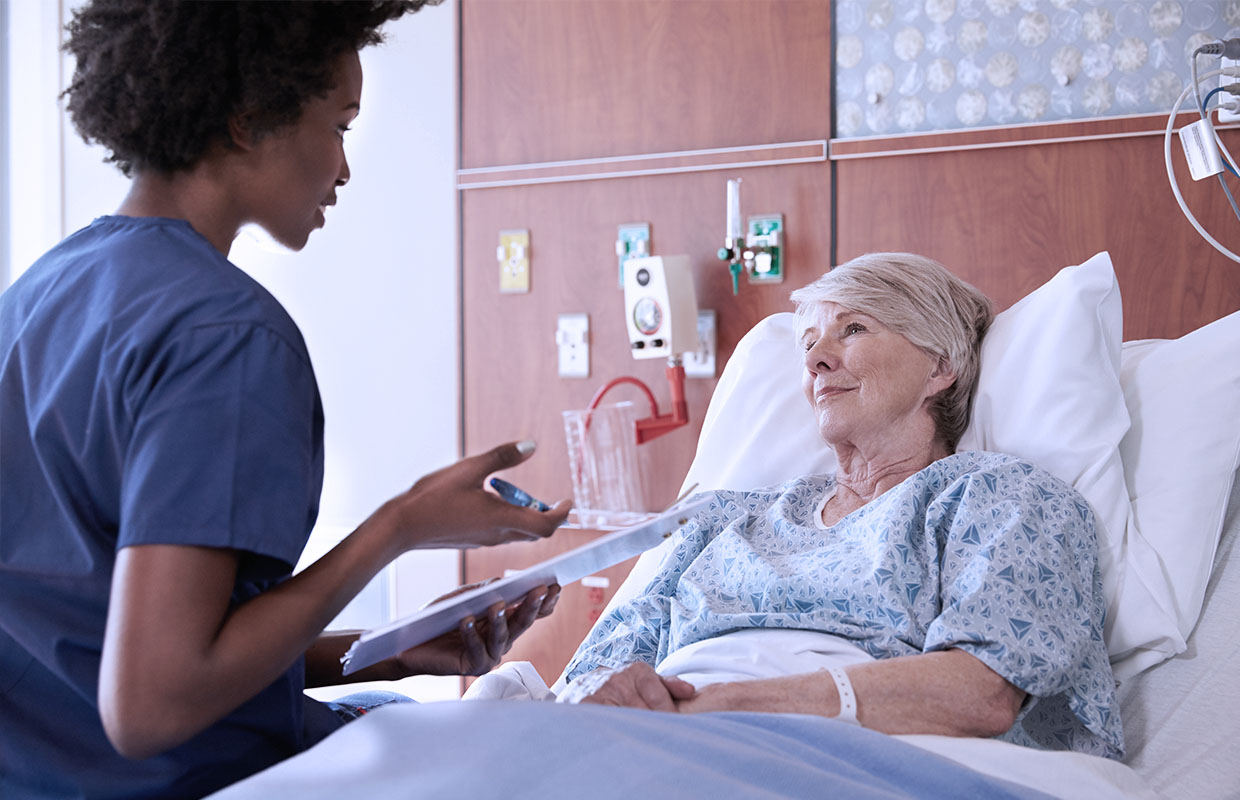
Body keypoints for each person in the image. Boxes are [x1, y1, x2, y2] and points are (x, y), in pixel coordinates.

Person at [0, 2, 570, 798]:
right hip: (195, 778)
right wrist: (399, 526)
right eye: (339, 126)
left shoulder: (35, 298)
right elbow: (152, 706)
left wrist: (386, 649)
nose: (344, 167)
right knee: (560, 750)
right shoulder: (227, 336)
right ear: (247, 122)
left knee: (410, 705)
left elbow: (100, 646)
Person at [558, 252, 1124, 760]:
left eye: (852, 329)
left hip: (838, 753)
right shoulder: (719, 519)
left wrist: (725, 707)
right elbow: (589, 678)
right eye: (807, 344)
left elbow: (984, 693)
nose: (816, 361)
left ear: (939, 367)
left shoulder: (998, 498)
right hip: (651, 745)